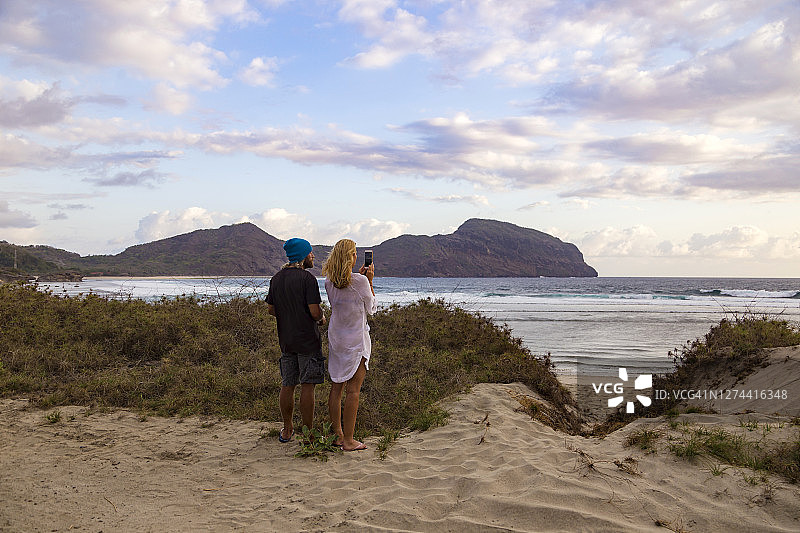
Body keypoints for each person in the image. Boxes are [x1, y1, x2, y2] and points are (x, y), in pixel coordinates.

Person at [266, 237, 326, 443]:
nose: (313, 256)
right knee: (307, 386)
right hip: (307, 341)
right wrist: (321, 318)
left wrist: (288, 315)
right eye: (310, 253)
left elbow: (271, 309)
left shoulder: (277, 278)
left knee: (288, 384)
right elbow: (314, 311)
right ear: (302, 255)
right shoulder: (307, 279)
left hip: (286, 340)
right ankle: (309, 433)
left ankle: (287, 429)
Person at [321, 239, 377, 451]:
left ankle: (337, 435)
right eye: (354, 254)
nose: (356, 257)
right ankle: (349, 440)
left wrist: (361, 277)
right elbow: (371, 308)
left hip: (337, 338)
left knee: (336, 387)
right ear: (349, 257)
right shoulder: (360, 282)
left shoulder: (328, 282)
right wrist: (369, 281)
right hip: (355, 339)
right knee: (353, 391)